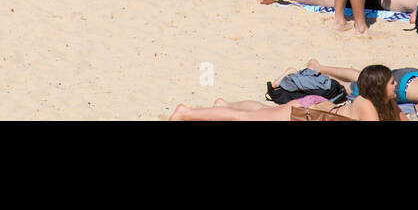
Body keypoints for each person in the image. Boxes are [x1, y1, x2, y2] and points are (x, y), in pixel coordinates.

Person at [168, 64, 400, 122]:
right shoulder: (365, 103)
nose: (396, 84)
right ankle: (185, 113)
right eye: (391, 82)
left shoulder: (387, 104)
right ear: (379, 88)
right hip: (305, 113)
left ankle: (223, 105)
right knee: (245, 119)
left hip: (314, 107)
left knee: (263, 111)